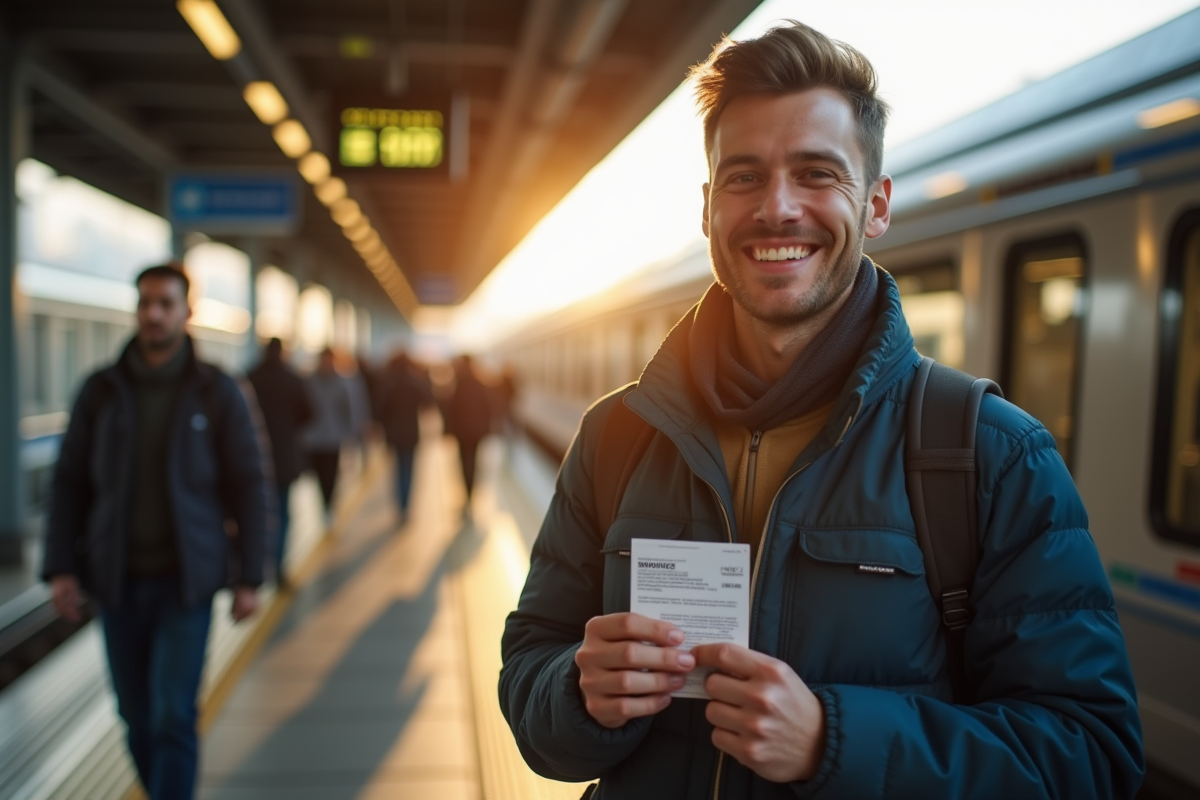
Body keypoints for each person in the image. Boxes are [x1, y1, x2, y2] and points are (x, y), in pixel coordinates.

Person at [499, 22, 1143, 800]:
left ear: (875, 205)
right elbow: (532, 662)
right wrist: (574, 693)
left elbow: (1091, 757)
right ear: (708, 209)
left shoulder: (993, 456)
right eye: (744, 177)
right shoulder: (617, 434)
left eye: (815, 173)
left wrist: (834, 742)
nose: (777, 208)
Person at [42, 263, 269, 800]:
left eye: (166, 303)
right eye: (145, 303)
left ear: (187, 312)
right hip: (117, 580)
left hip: (184, 583)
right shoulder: (101, 392)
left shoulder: (217, 392)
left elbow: (249, 484)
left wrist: (250, 576)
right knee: (135, 716)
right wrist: (60, 568)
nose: (154, 314)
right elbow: (69, 482)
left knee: (172, 713)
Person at [247, 337, 314, 586]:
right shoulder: (293, 379)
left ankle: (258, 567)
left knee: (256, 514)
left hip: (254, 457)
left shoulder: (250, 377)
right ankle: (278, 567)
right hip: (284, 456)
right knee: (283, 514)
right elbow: (309, 413)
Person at [378, 350, 434, 521]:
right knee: (408, 469)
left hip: (393, 433)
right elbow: (428, 401)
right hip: (411, 432)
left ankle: (400, 504)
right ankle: (405, 505)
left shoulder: (388, 382)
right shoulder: (414, 381)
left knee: (397, 468)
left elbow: (380, 408)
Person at [303, 347, 359, 512]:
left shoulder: (342, 382)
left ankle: (329, 502)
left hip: (334, 436)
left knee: (332, 473)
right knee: (319, 473)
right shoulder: (309, 381)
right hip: (314, 436)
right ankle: (324, 501)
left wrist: (350, 433)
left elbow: (348, 408)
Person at [442, 354, 494, 511]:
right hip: (477, 431)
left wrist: (448, 430)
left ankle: (467, 493)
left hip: (461, 432)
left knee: (464, 461)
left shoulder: (457, 383)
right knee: (474, 460)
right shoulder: (480, 383)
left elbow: (451, 409)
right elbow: (488, 408)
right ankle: (471, 492)